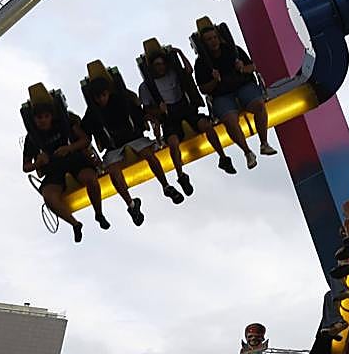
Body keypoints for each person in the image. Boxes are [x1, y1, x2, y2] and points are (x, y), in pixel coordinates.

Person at [82, 75, 183, 220]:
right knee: (113, 171)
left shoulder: (122, 100)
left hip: (134, 138)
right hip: (114, 147)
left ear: (108, 92)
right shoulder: (92, 112)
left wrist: (153, 121)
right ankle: (131, 204)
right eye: (97, 97)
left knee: (149, 154)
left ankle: (166, 186)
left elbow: (140, 114)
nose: (101, 99)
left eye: (103, 95)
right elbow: (85, 134)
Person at [139, 48, 235, 185]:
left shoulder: (174, 73)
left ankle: (223, 158)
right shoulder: (146, 87)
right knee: (173, 143)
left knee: (207, 126)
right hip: (169, 117)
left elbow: (188, 71)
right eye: (157, 65)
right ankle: (181, 175)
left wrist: (179, 53)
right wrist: (158, 111)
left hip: (185, 109)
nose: (161, 67)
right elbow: (147, 109)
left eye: (163, 64)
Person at [21, 89, 107, 242]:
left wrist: (69, 148)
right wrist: (37, 163)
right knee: (48, 196)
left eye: (46, 116)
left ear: (51, 116)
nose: (43, 120)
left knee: (91, 179)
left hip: (73, 159)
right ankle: (75, 224)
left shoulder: (64, 123)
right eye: (39, 118)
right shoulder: (32, 138)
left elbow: (85, 140)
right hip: (54, 169)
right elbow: (26, 167)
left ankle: (99, 214)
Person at [193, 24, 277, 170]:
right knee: (229, 120)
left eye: (214, 37)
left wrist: (242, 68)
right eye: (209, 39)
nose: (213, 41)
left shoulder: (233, 50)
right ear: (204, 43)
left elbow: (252, 67)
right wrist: (214, 80)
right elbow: (203, 89)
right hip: (222, 94)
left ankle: (264, 143)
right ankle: (247, 152)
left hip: (242, 85)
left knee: (259, 105)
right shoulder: (201, 63)